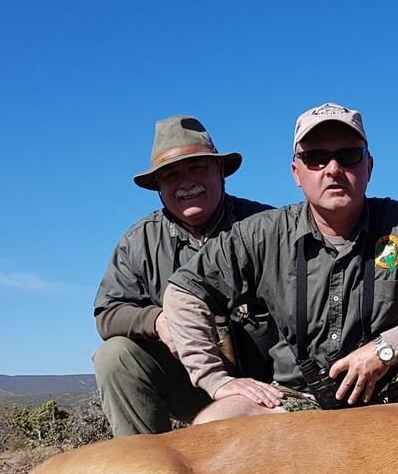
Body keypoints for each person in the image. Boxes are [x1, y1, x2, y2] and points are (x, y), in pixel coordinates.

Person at [164, 102, 398, 423]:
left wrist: (386, 349)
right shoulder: (260, 234)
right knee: (216, 420)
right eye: (316, 158)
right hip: (293, 404)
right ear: (297, 172)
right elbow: (184, 292)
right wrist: (215, 381)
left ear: (368, 167)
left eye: (348, 156)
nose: (333, 169)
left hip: (393, 399)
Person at [93, 115, 276, 437]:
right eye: (171, 175)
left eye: (197, 168)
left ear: (221, 171)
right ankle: (144, 470)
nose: (186, 182)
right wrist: (158, 321)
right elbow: (108, 314)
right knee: (115, 356)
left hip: (270, 386)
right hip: (191, 386)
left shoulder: (267, 227)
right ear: (159, 188)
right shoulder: (139, 243)